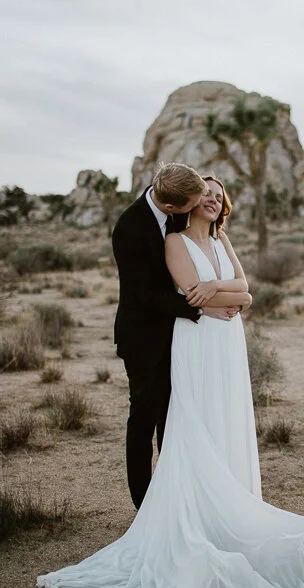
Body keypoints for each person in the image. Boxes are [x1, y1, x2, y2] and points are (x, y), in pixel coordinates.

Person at [37, 176, 304, 588]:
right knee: (158, 417)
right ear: (180, 202)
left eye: (217, 193)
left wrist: (218, 298)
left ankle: (213, 503)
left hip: (222, 339)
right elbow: (182, 292)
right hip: (179, 337)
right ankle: (154, 510)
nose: (211, 197)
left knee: (212, 417)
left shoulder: (223, 239)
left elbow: (245, 291)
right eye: (203, 193)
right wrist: (205, 303)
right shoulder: (163, 235)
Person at [107, 162, 238, 510]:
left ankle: (177, 494)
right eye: (193, 203)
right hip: (144, 338)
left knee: (176, 416)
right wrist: (200, 309)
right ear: (171, 207)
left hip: (181, 336)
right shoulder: (129, 229)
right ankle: (146, 505)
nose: (201, 205)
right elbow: (144, 295)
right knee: (144, 417)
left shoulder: (179, 203)